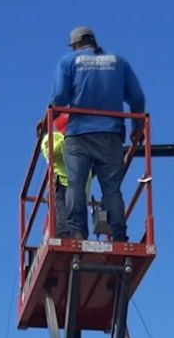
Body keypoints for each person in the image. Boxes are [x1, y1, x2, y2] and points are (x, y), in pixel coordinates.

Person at [49, 26, 146, 241]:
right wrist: (137, 131)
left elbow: (59, 97)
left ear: (75, 44)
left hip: (79, 134)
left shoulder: (68, 61)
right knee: (112, 189)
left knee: (75, 183)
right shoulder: (119, 62)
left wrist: (50, 119)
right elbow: (137, 98)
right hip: (111, 134)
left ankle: (76, 231)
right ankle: (119, 234)